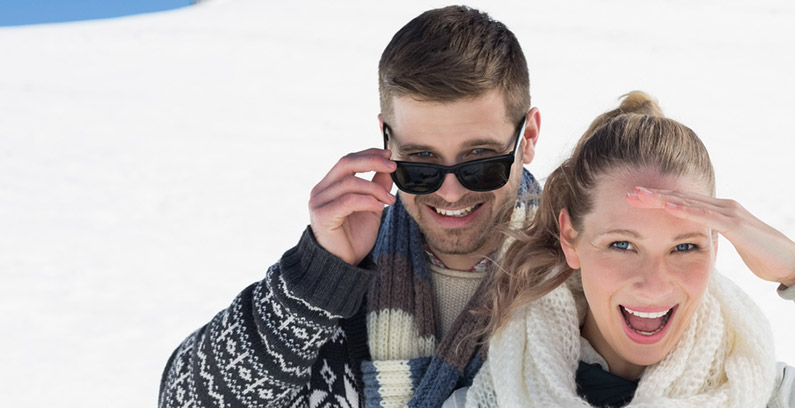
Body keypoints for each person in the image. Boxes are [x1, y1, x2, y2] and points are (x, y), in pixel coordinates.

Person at [449, 92, 795, 407]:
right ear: (571, 239)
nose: (654, 281)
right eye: (623, 244)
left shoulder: (759, 392)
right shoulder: (503, 389)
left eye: (684, 246)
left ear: (718, 246)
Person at [158, 6, 542, 407]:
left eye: (480, 161)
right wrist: (314, 277)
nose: (449, 192)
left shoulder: (581, 273)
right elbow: (182, 399)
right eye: (421, 163)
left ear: (528, 137)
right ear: (386, 141)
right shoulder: (340, 286)